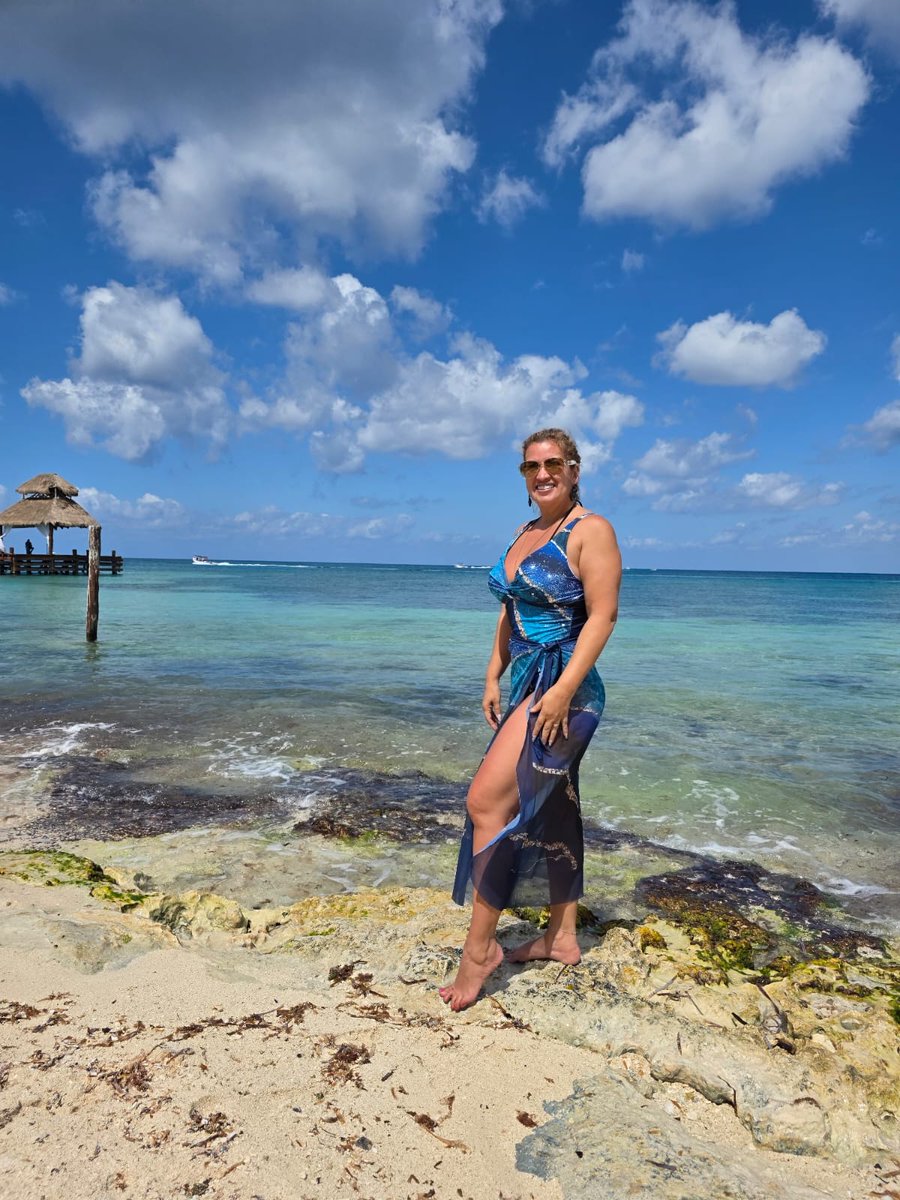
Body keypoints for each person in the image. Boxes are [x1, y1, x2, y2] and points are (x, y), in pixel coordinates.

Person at [440, 428, 621, 1012]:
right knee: (554, 803)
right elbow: (510, 612)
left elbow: (603, 617)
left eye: (552, 464)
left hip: (565, 687)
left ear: (573, 469)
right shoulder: (525, 533)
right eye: (530, 466)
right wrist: (492, 674)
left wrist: (564, 690)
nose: (541, 474)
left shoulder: (590, 531)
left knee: (488, 802)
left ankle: (479, 953)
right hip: (523, 683)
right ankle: (562, 937)